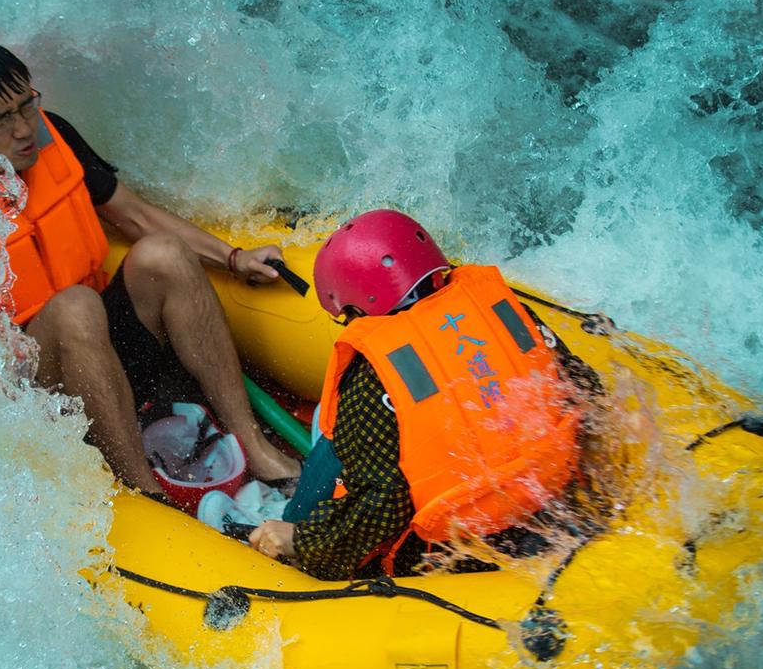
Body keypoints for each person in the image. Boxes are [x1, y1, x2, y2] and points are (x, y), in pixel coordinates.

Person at [0, 27, 301, 497]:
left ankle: (256, 447)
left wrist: (233, 258)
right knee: (77, 306)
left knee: (162, 253)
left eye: (26, 103)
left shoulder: (51, 135)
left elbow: (137, 216)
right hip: (40, 383)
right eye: (1, 120)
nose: (24, 128)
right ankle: (145, 491)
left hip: (105, 340)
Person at [247, 210, 601, 579]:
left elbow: (384, 505)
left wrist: (303, 540)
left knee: (334, 438)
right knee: (329, 420)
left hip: (464, 550)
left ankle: (284, 520)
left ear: (355, 307)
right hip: (553, 502)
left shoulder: (371, 379)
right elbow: (584, 390)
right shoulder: (507, 312)